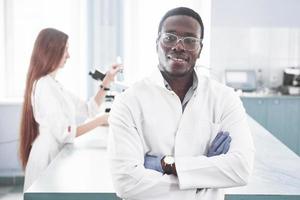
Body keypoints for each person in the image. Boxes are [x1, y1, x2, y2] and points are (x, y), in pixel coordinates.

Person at [108, 7, 255, 200]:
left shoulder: (225, 98)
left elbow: (241, 169)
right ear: (157, 43)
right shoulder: (128, 101)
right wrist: (206, 175)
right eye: (169, 37)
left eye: (190, 40)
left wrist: (165, 164)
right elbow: (126, 182)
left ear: (200, 49)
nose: (179, 46)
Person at [19, 28, 122, 191]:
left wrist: (107, 80)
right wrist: (102, 120)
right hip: (46, 156)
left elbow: (89, 109)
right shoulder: (45, 86)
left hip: (55, 152)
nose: (68, 55)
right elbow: (66, 132)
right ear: (52, 50)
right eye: (65, 49)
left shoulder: (54, 85)